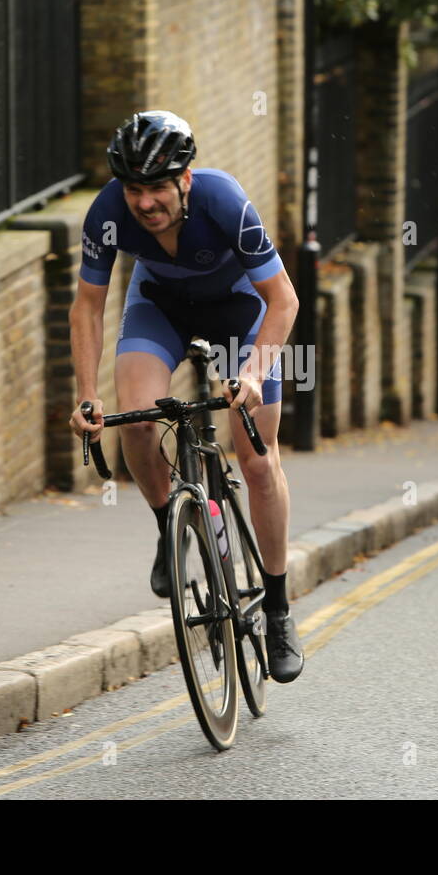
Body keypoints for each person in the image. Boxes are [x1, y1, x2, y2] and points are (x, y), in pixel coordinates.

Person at [67, 110, 305, 683]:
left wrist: (252, 373)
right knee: (139, 423)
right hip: (161, 308)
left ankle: (277, 609)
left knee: (257, 459)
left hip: (240, 311)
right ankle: (168, 528)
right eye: (133, 190)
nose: (144, 203)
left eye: (155, 188)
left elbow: (284, 301)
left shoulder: (225, 201)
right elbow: (87, 307)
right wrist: (84, 397)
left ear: (185, 181)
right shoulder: (106, 213)